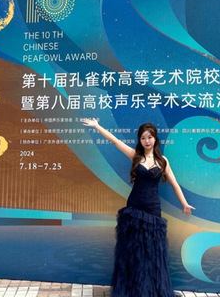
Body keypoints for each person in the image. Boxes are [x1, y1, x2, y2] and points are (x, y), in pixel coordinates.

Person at [82, 119, 194, 297]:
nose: (147, 141)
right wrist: (97, 126)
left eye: (150, 137)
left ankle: (150, 290)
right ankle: (132, 290)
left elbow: (175, 184)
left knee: (152, 253)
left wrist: (184, 203)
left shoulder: (163, 161)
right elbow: (115, 141)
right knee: (133, 251)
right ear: (140, 140)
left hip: (153, 210)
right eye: (143, 138)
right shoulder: (135, 156)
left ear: (155, 139)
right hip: (134, 208)